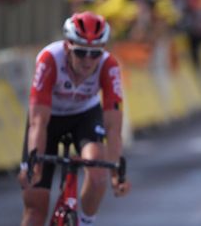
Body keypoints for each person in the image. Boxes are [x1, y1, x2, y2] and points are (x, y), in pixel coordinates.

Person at [18, 11, 131, 226]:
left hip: (85, 116)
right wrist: (31, 166)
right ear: (68, 46)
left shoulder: (110, 66)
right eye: (80, 52)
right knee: (34, 209)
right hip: (48, 120)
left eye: (95, 54)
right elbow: (38, 122)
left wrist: (117, 172)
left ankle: (85, 222)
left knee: (99, 173)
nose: (88, 61)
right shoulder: (49, 59)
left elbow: (113, 126)